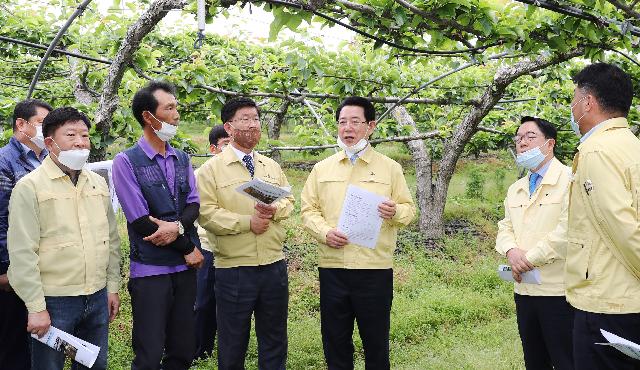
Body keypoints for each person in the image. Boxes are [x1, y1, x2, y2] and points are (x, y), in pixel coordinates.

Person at [300, 96, 415, 370]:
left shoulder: (390, 168)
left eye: (355, 122)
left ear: (370, 126)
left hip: (373, 268)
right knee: (335, 340)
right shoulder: (321, 169)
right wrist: (325, 232)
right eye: (342, 122)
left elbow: (409, 210)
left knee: (375, 341)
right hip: (333, 268)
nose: (347, 128)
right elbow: (308, 211)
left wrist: (394, 212)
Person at [7, 107, 121, 370]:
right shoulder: (30, 187)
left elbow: (111, 238)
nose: (81, 142)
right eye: (71, 135)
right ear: (50, 142)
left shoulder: (97, 183)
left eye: (85, 135)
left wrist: (112, 286)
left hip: (96, 296)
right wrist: (36, 307)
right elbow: (22, 251)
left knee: (94, 365)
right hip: (54, 300)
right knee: (49, 366)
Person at [112, 81, 204, 370]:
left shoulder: (182, 157)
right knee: (149, 352)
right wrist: (188, 245)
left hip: (185, 268)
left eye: (176, 107)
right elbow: (140, 221)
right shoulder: (126, 161)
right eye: (170, 108)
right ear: (148, 117)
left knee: (182, 349)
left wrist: (176, 231)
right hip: (151, 270)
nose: (176, 114)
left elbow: (193, 205)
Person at [197, 97, 294, 370]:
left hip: (274, 265)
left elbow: (288, 201)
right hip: (234, 268)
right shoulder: (210, 170)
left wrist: (275, 209)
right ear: (229, 127)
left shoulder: (270, 167)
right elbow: (207, 214)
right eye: (245, 119)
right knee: (233, 341)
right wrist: (246, 223)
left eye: (256, 119)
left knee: (274, 338)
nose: (252, 125)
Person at [567, 62, 640, 369]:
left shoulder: (596, 151)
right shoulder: (630, 144)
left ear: (588, 103)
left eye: (573, 100)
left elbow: (620, 228)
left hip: (608, 301)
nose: (571, 109)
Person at [495, 116, 573, 369]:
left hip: (558, 291)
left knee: (565, 359)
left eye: (530, 137)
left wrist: (528, 258)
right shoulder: (516, 188)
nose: (522, 143)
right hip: (524, 290)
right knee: (534, 359)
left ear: (550, 144)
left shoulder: (569, 181)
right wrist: (511, 250)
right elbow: (505, 225)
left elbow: (567, 231)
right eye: (518, 138)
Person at [0, 99, 52, 370]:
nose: (48, 132)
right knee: (13, 343)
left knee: (40, 340)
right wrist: (6, 268)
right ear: (21, 124)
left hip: (41, 266)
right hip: (13, 268)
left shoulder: (48, 161)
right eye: (43, 124)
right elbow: (1, 220)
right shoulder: (5, 162)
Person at [194, 125, 230, 360]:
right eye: (226, 144)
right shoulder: (201, 174)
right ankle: (200, 350)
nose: (230, 149)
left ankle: (224, 349)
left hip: (234, 249)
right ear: (213, 148)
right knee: (203, 302)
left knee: (228, 303)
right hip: (207, 246)